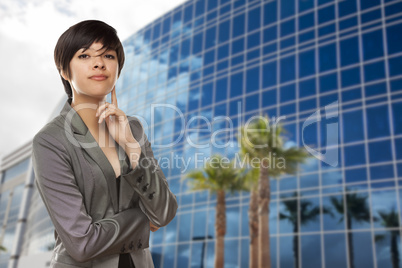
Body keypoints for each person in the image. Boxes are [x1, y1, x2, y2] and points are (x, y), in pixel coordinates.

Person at [31, 20, 178, 268]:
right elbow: (81, 244)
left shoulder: (134, 129)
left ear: (118, 68)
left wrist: (132, 147)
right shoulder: (50, 141)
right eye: (85, 55)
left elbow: (164, 212)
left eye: (108, 55)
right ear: (65, 71)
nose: (99, 63)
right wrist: (143, 221)